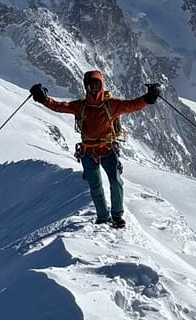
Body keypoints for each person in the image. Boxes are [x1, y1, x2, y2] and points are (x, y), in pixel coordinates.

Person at [30, 70, 160, 228]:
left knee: (115, 182)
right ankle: (104, 216)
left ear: (102, 85)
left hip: (102, 149)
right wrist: (44, 99)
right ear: (86, 86)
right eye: (91, 85)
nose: (94, 88)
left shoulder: (106, 105)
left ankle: (116, 215)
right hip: (93, 151)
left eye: (97, 85)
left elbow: (132, 105)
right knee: (97, 185)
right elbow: (59, 106)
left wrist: (148, 99)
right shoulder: (86, 106)